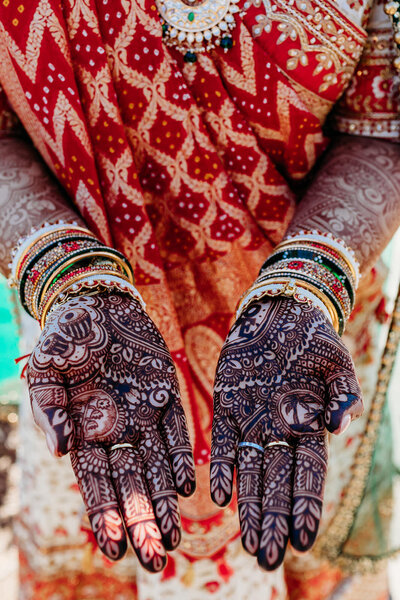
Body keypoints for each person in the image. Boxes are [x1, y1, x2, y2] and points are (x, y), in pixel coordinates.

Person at [0, 0, 399, 598]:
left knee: (302, 549)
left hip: (310, 335)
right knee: (106, 546)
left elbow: (381, 128)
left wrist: (305, 285)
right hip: (88, 351)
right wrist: (71, 279)